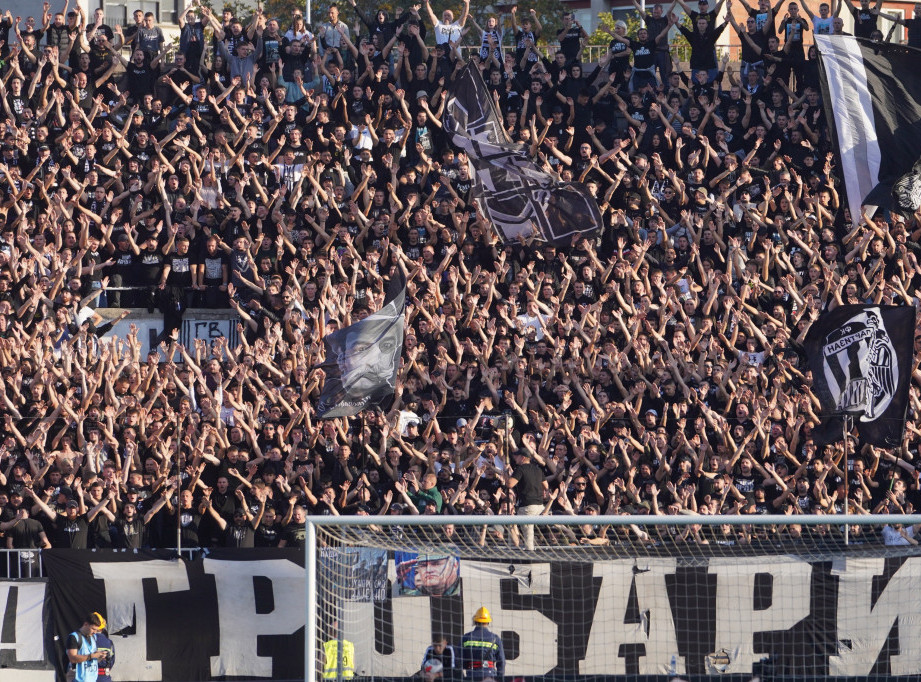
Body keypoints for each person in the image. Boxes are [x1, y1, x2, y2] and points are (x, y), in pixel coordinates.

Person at [507, 449, 548, 551]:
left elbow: (509, 484)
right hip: (540, 506)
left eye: (517, 456)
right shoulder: (538, 469)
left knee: (528, 535)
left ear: (523, 457)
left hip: (527, 507)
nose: (514, 458)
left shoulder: (520, 469)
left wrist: (505, 473)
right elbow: (546, 486)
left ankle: (530, 558)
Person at [461, 607, 505, 680]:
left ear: (475, 621)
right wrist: (499, 678)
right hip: (490, 676)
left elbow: (459, 659)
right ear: (488, 622)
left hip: (471, 675)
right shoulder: (495, 639)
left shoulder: (466, 638)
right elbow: (501, 662)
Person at [66, 612, 108, 682]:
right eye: (93, 629)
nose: (95, 632)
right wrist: (92, 656)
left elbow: (92, 660)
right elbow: (72, 659)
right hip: (78, 679)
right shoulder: (74, 637)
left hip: (92, 678)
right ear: (86, 624)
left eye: (97, 630)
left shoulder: (93, 637)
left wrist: (99, 657)